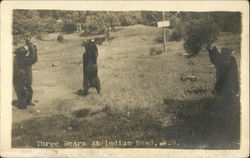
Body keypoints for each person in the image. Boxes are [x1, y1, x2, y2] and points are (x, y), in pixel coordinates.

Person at [13, 39, 38, 109]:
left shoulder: (19, 58)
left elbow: (31, 57)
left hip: (22, 79)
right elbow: (33, 58)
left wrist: (31, 46)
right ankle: (22, 106)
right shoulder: (23, 60)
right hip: (20, 80)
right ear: (22, 54)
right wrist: (32, 47)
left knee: (28, 91)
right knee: (23, 92)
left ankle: (27, 102)